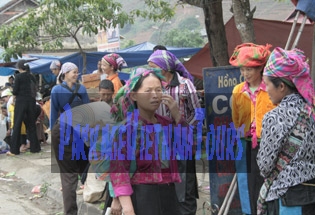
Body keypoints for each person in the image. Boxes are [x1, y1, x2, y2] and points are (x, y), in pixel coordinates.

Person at [107, 67, 184, 215]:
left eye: (158, 90)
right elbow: (119, 170)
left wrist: (176, 114)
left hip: (169, 196)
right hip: (142, 198)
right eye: (148, 91)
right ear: (134, 95)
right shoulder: (127, 129)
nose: (155, 95)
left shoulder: (166, 124)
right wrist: (128, 208)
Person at [257, 47, 315, 215]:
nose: (266, 89)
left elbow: (265, 166)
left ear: (281, 86)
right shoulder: (311, 112)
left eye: (267, 84)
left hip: (285, 196)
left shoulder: (274, 117)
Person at [148, 50, 200, 215]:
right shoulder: (154, 87)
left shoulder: (185, 85)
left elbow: (198, 114)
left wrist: (182, 122)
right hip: (159, 143)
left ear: (164, 68)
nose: (150, 70)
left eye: (153, 66)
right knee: (165, 184)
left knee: (185, 187)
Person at [229, 43, 276, 214]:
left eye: (250, 69)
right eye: (242, 69)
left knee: (267, 183)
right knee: (246, 183)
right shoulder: (238, 90)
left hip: (268, 145)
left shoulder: (271, 88)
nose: (245, 74)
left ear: (260, 68)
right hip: (245, 143)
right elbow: (236, 120)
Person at [50, 62, 90, 215]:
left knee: (69, 174)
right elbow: (54, 115)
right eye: (73, 72)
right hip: (68, 132)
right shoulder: (57, 90)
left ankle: (71, 211)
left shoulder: (80, 89)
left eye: (77, 72)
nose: (76, 74)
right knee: (75, 171)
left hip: (70, 132)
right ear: (65, 73)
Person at [7, 60, 40, 156]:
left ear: (19, 67)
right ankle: (35, 148)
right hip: (31, 102)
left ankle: (14, 150)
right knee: (31, 125)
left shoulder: (18, 77)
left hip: (21, 102)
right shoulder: (32, 77)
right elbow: (35, 89)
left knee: (17, 124)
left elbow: (15, 90)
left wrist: (13, 96)